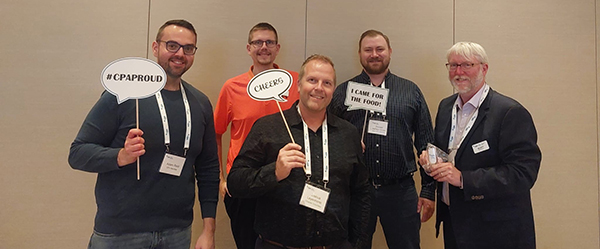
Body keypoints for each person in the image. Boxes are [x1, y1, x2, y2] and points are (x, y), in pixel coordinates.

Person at [69, 19, 219, 249]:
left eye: (188, 48)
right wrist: (120, 156)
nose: (180, 53)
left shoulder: (200, 103)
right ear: (155, 47)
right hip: (120, 234)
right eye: (172, 45)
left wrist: (208, 231)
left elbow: (208, 169)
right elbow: (78, 153)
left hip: (177, 233)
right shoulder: (122, 95)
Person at [227, 55, 371, 249]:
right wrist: (274, 172)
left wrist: (359, 243)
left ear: (333, 90)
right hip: (276, 244)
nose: (319, 88)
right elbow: (235, 183)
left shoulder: (348, 133)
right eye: (312, 80)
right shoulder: (267, 128)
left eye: (327, 83)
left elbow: (362, 192)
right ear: (298, 85)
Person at [419, 42, 541, 249]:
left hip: (496, 229)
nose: (459, 72)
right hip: (455, 222)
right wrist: (432, 159)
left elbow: (523, 173)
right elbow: (449, 152)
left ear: (484, 68)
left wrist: (462, 179)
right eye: (453, 65)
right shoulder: (446, 106)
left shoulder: (509, 112)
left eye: (467, 65)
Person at [328, 29, 435, 249]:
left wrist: (428, 190)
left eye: (379, 49)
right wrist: (345, 144)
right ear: (359, 53)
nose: (374, 54)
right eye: (368, 50)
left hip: (400, 191)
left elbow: (426, 143)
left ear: (390, 52)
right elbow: (324, 134)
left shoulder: (410, 91)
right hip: (356, 190)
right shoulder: (344, 92)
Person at [214, 22, 299, 249]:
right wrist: (221, 179)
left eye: (269, 42)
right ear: (248, 48)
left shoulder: (296, 83)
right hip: (244, 185)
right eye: (257, 42)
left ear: (277, 48)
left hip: (286, 184)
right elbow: (215, 133)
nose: (264, 47)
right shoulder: (232, 87)